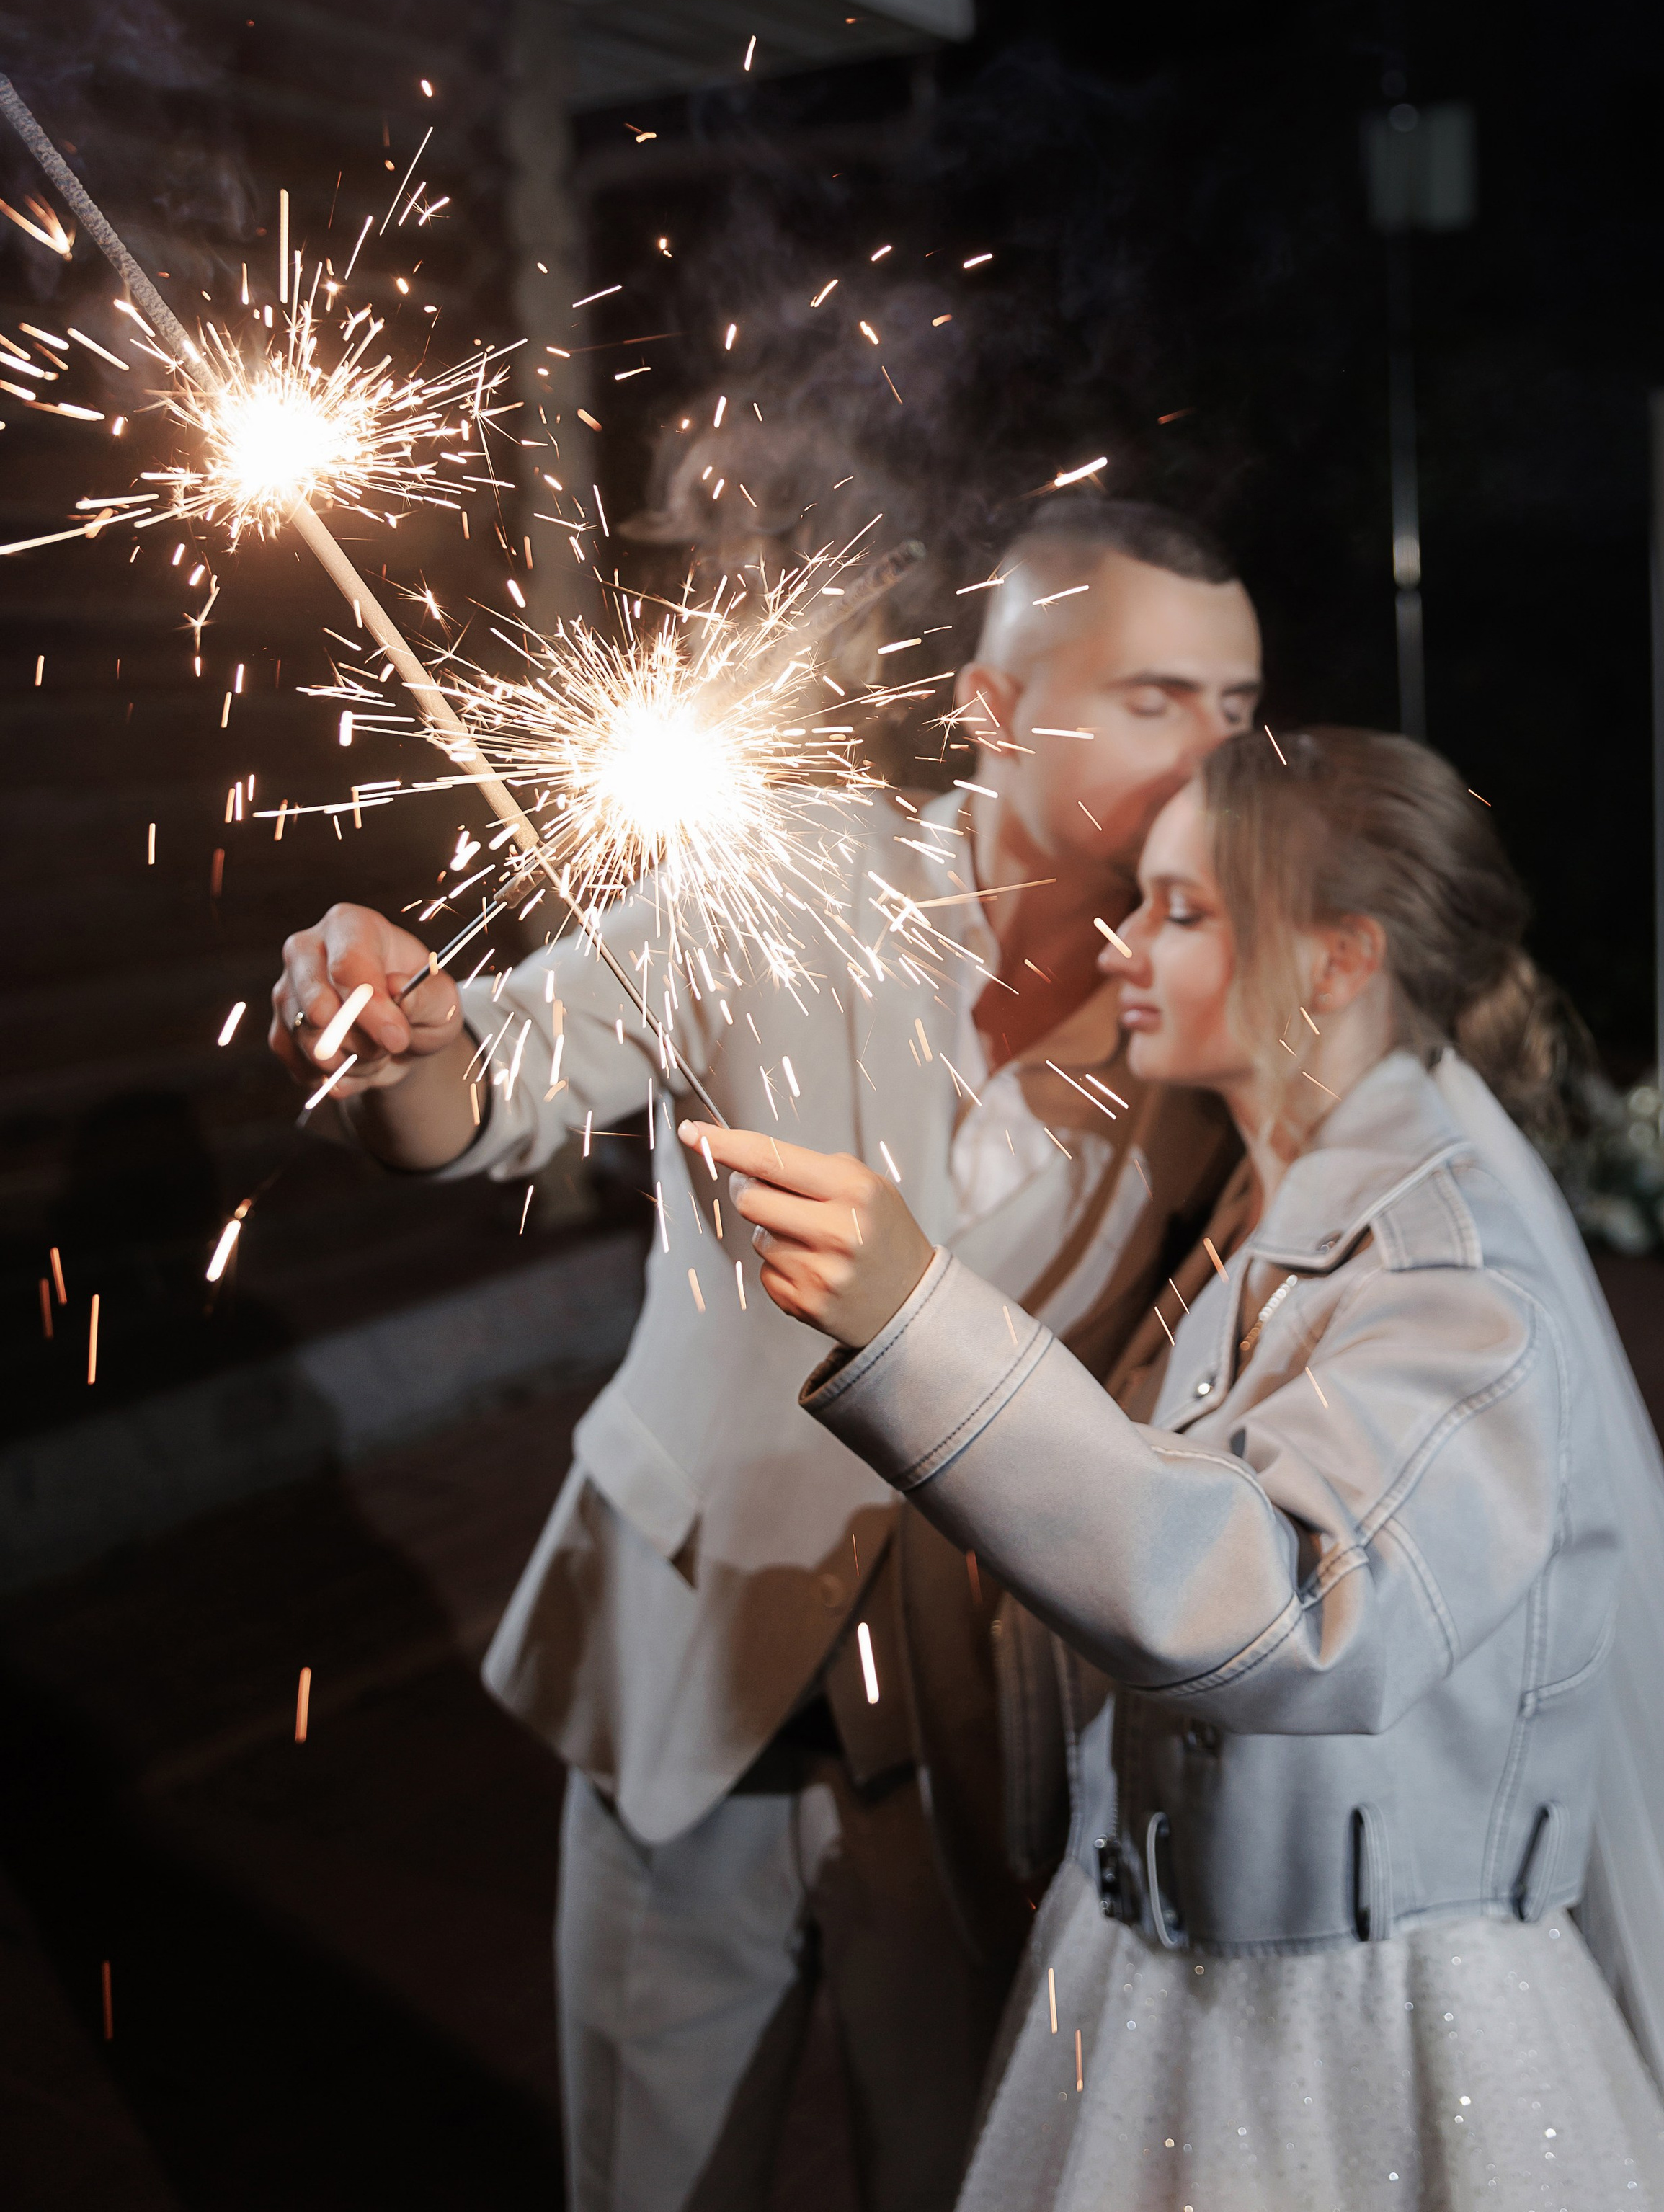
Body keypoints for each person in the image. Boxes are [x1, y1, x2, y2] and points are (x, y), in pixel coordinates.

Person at [686, 727, 1664, 2212]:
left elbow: (1300, 1605)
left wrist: (919, 1327)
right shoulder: (1252, 1195)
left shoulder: (1453, 1277)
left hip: (1363, 2043)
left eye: (1182, 911)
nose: (1124, 943)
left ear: (1338, 959)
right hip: (1173, 1969)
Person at [269, 499, 1264, 2212]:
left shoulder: (1211, 1018)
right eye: (1155, 697)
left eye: (1238, 708)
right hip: (687, 1675)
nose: (1211, 751)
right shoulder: (789, 873)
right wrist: (397, 1043)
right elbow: (491, 1084)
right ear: (990, 705)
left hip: (974, 1757)